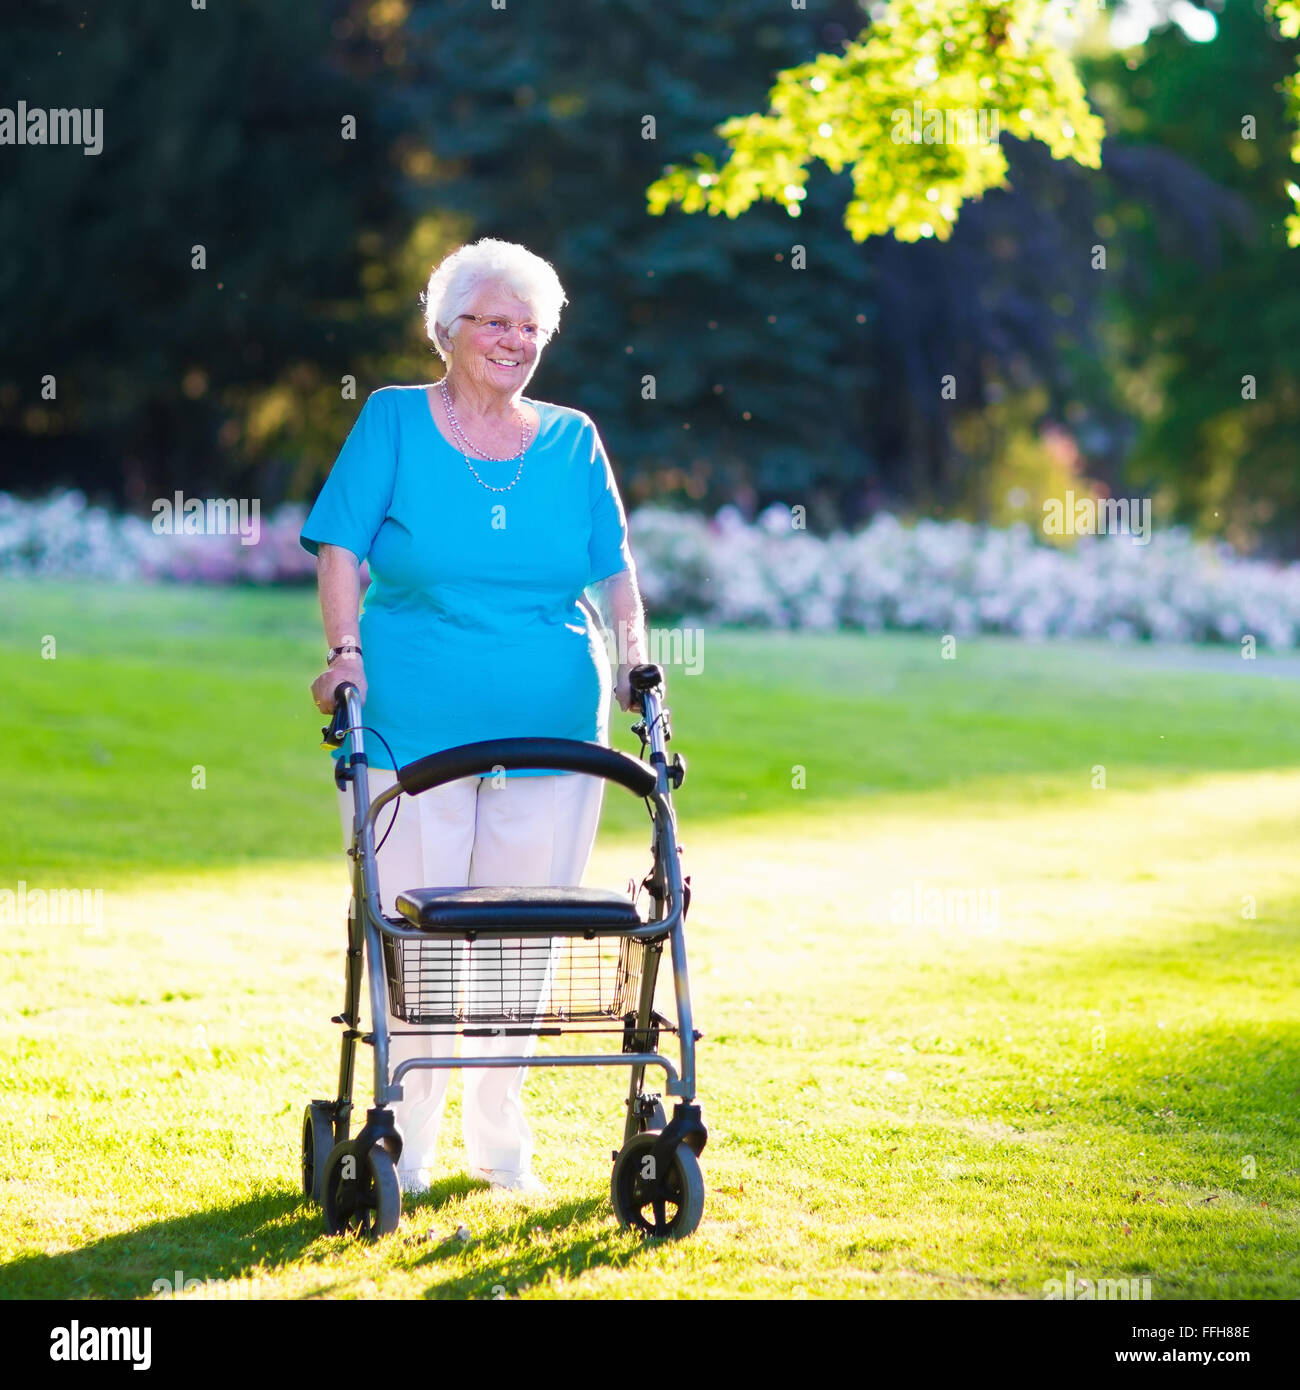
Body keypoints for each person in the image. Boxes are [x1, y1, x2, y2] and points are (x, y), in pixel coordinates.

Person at [300, 237, 648, 1197]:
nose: (514, 340)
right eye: (495, 321)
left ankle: (500, 1142)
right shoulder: (395, 423)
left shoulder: (573, 438)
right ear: (446, 330)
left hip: (553, 730)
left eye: (531, 326)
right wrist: (343, 657)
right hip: (410, 727)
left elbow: (615, 570)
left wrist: (634, 661)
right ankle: (403, 1141)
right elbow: (338, 545)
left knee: (520, 940)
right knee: (417, 933)